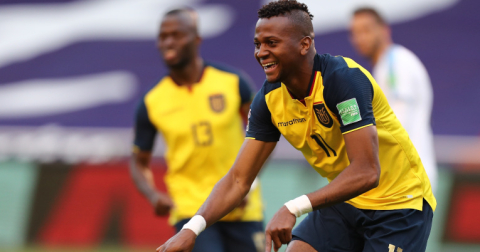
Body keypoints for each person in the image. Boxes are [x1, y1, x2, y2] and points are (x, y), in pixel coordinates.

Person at [157, 1, 436, 252]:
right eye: (258, 44)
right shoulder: (268, 100)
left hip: (399, 204)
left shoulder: (343, 80)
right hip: (347, 203)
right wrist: (191, 229)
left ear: (304, 44)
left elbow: (366, 171)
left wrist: (294, 207)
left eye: (272, 43)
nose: (261, 53)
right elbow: (238, 179)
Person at [129, 8, 264, 252]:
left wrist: (248, 184)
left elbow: (265, 135)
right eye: (163, 36)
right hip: (190, 210)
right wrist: (153, 195)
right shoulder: (152, 101)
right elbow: (139, 161)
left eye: (177, 34)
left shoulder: (233, 82)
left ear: (196, 39)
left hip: (242, 207)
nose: (168, 42)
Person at [350, 7, 438, 192]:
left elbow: (399, 121)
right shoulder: (387, 65)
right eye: (355, 33)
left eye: (366, 30)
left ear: (384, 30)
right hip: (406, 177)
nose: (360, 38)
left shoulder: (395, 63)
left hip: (408, 178)